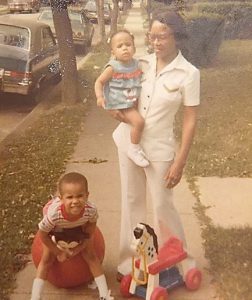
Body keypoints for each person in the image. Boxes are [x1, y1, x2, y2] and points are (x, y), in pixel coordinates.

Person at [111, 10, 200, 278]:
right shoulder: (140, 63)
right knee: (131, 202)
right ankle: (130, 264)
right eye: (153, 36)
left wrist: (180, 161)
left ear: (177, 36)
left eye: (162, 36)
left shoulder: (189, 73)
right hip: (129, 141)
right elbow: (117, 88)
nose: (156, 41)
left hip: (160, 150)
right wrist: (118, 108)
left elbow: (190, 121)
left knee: (163, 205)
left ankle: (180, 261)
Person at [31, 172, 113, 300]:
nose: (75, 201)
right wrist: (58, 252)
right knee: (46, 259)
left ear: (87, 195)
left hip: (78, 226)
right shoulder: (54, 214)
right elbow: (43, 234)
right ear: (61, 198)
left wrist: (79, 248)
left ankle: (104, 295)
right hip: (55, 229)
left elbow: (90, 230)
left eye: (80, 196)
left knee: (91, 256)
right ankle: (35, 296)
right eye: (69, 197)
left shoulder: (90, 210)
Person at [95, 29, 149, 168]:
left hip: (131, 100)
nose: (125, 48)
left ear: (134, 48)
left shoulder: (137, 64)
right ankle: (134, 149)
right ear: (113, 52)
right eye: (119, 46)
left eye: (128, 44)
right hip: (120, 104)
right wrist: (100, 97)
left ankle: (125, 138)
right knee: (139, 122)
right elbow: (99, 82)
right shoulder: (113, 67)